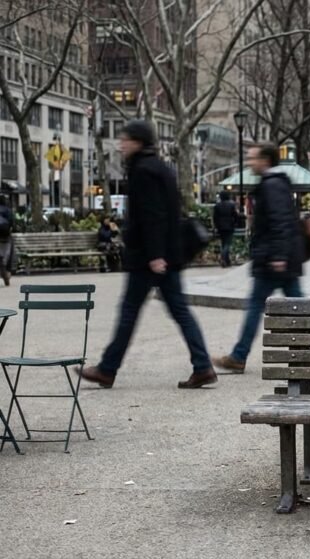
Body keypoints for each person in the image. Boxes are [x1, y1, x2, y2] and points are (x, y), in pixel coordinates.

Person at [78, 120, 216, 389]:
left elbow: (153, 215)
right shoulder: (161, 168)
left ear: (138, 142)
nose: (121, 145)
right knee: (178, 311)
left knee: (130, 311)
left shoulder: (143, 171)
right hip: (165, 255)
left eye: (125, 140)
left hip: (148, 258)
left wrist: (155, 255)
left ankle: (107, 369)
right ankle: (202, 366)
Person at [213, 143, 304, 373]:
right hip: (279, 257)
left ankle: (239, 356)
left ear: (265, 160)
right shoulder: (276, 183)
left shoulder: (272, 185)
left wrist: (278, 255)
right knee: (299, 306)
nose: (250, 162)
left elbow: (280, 221)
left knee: (257, 306)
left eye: (253, 158)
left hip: (273, 259)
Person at [213, 190, 238, 267]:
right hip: (229, 226)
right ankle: (223, 258)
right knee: (227, 244)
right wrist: (235, 223)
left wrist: (216, 226)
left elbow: (215, 217)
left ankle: (227, 261)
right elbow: (235, 215)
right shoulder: (231, 205)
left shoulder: (217, 205)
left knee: (223, 243)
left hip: (220, 227)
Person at [0, 195, 14, 286]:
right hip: (5, 234)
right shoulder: (8, 210)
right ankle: (7, 269)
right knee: (9, 251)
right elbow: (12, 222)